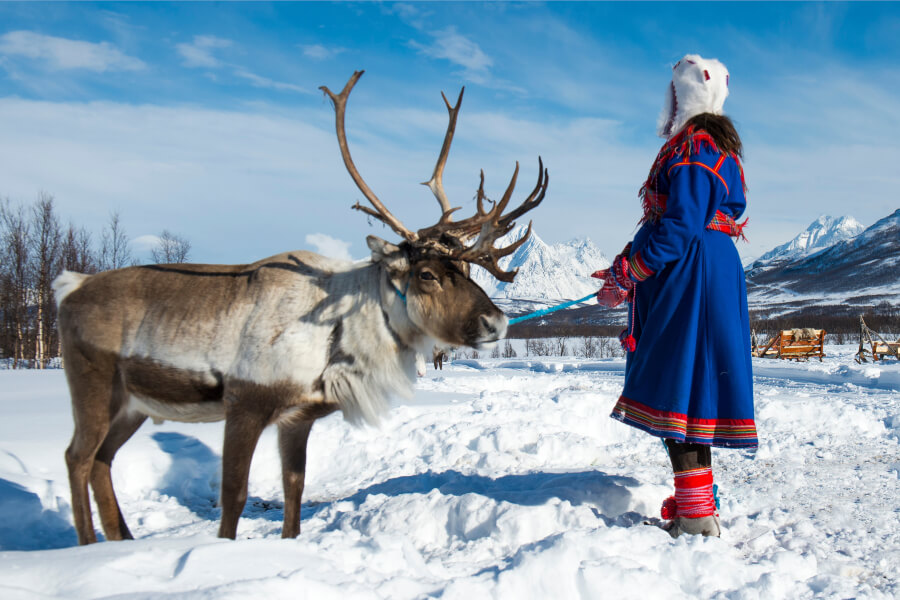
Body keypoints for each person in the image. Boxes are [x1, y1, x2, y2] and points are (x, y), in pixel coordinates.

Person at [592, 54, 757, 538]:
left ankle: (698, 517)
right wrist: (627, 262)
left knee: (677, 391)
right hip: (706, 269)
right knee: (690, 393)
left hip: (690, 276)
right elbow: (670, 225)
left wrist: (629, 274)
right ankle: (698, 506)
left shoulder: (691, 151)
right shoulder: (717, 150)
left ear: (679, 98)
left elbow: (678, 227)